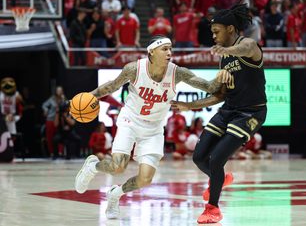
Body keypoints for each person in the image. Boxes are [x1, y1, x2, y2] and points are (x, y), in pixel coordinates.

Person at [74, 35, 230, 220]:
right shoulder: (134, 69)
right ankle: (93, 166)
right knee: (118, 167)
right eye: (164, 49)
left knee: (145, 179)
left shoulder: (177, 72)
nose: (169, 53)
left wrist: (223, 73)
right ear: (151, 51)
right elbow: (111, 86)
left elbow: (210, 87)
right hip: (130, 121)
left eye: (170, 49)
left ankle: (115, 194)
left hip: (154, 128)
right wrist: (87, 96)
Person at [171, 3, 267, 224]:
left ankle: (213, 208)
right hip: (228, 109)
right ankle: (222, 179)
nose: (213, 36)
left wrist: (228, 50)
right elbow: (219, 96)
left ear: (231, 29)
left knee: (216, 159)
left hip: (250, 113)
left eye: (216, 31)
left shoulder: (248, 45)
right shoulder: (224, 58)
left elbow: (244, 49)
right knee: (198, 157)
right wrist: (190, 106)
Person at [42, 86, 66, 157]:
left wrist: (63, 100)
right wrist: (46, 110)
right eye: (58, 90)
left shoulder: (63, 99)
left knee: (60, 136)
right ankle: (52, 152)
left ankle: (60, 152)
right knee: (50, 137)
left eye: (60, 90)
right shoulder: (52, 99)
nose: (59, 92)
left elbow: (66, 106)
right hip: (50, 119)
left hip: (59, 120)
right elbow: (44, 105)